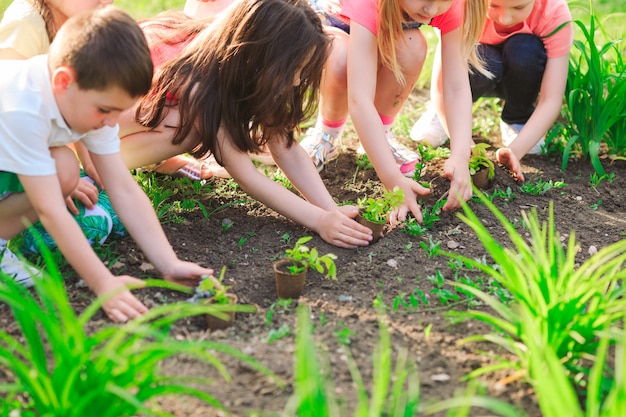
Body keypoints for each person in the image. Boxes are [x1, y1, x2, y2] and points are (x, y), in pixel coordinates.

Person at [0, 6, 213, 322]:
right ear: (63, 82)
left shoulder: (88, 102)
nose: (112, 123)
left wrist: (168, 263)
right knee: (59, 175)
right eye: (105, 110)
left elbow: (123, 188)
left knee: (65, 169)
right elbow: (51, 211)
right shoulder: (23, 110)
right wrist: (104, 283)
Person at [114, 0, 373, 249]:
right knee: (185, 125)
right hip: (100, 134)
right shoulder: (200, 85)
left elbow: (286, 148)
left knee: (187, 122)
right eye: (293, 70)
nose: (296, 82)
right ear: (259, 56)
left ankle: (155, 160)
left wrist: (329, 209)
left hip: (137, 121)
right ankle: (120, 165)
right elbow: (246, 176)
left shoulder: (242, 64)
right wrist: (318, 221)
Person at [301, 0, 489, 223]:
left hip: (388, 28)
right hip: (337, 26)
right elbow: (360, 100)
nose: (430, 10)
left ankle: (381, 134)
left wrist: (460, 155)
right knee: (341, 57)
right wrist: (393, 181)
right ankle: (326, 133)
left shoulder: (450, 3)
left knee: (413, 47)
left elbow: (456, 87)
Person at [0, 0, 213, 183]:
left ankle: (142, 161)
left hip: (64, 132)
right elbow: (11, 109)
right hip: (20, 146)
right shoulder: (26, 25)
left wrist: (92, 163)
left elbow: (78, 102)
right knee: (64, 167)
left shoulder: (85, 23)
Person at [410, 0, 573, 182]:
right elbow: (442, 87)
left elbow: (551, 99)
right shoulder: (462, 6)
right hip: (471, 74)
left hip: (521, 76)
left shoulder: (553, 13)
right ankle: (446, 114)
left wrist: (515, 151)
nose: (505, 18)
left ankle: (517, 118)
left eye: (518, 7)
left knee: (526, 50)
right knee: (485, 58)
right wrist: (463, 146)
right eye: (493, 5)